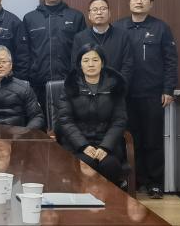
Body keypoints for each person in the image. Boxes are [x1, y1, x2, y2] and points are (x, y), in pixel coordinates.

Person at [114, 0, 178, 198]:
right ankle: (133, 181)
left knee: (152, 141)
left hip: (152, 94)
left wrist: (168, 89)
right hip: (125, 95)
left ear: (151, 4)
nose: (139, 1)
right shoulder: (119, 27)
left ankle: (154, 183)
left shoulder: (161, 28)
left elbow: (171, 61)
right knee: (129, 140)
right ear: (129, 2)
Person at [54, 44, 128, 185]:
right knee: (85, 164)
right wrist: (83, 146)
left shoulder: (115, 86)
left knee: (110, 166)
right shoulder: (70, 85)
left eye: (95, 60)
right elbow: (65, 119)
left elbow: (119, 120)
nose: (91, 64)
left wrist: (105, 147)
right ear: (80, 64)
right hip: (76, 145)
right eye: (86, 60)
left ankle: (110, 198)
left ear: (102, 63)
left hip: (107, 145)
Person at [23, 0, 86, 109]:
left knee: (67, 120)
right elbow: (25, 53)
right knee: (39, 120)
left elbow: (83, 52)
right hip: (38, 84)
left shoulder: (76, 17)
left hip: (69, 83)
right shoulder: (30, 18)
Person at [71, 0, 134, 81]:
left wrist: (118, 85)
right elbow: (76, 66)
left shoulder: (122, 36)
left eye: (103, 9)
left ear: (109, 13)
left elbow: (128, 65)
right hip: (88, 87)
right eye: (95, 9)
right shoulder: (80, 38)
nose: (99, 12)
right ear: (89, 15)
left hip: (117, 86)